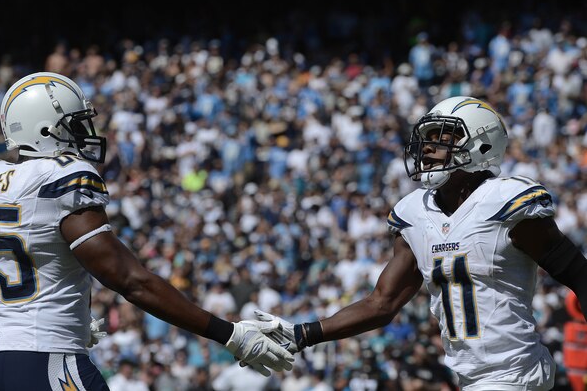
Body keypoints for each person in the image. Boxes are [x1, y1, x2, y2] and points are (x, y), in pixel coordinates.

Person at [0, 72, 293, 390]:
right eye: (73, 125)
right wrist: (230, 335)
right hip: (44, 358)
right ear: (45, 130)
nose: (83, 133)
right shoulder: (60, 176)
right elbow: (131, 281)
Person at [252, 96, 587, 390]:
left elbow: (578, 273)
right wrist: (303, 333)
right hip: (470, 378)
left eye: (442, 138)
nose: (427, 148)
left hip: (514, 373)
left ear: (481, 145)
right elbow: (382, 303)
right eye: (425, 139)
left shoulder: (505, 201)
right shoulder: (415, 213)